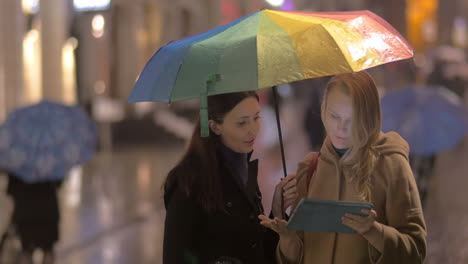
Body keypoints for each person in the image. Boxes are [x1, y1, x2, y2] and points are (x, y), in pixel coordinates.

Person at [259, 71, 427, 263]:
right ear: (323, 110)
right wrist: (287, 238)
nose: (341, 127)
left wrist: (374, 231)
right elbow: (298, 255)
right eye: (334, 116)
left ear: (369, 116)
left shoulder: (391, 165)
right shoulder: (311, 168)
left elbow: (416, 251)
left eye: (351, 119)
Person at [163, 91, 297, 264]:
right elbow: (175, 257)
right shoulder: (187, 180)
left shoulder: (245, 170)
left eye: (256, 118)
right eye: (241, 123)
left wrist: (277, 212)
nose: (253, 130)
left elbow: (258, 250)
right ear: (215, 126)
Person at [5, 172, 62, 264]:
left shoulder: (20, 160)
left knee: (26, 249)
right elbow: (58, 181)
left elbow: (12, 188)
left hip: (25, 209)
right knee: (48, 248)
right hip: (48, 209)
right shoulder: (50, 161)